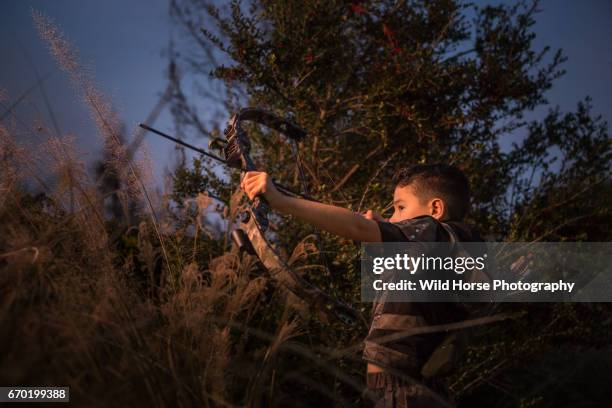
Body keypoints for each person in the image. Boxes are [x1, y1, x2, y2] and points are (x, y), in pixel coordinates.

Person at [240, 164, 483, 407]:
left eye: (400, 207)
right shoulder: (450, 248)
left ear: (436, 209)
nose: (393, 217)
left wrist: (281, 200)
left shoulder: (435, 232)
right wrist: (383, 232)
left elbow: (357, 227)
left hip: (406, 392)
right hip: (404, 392)